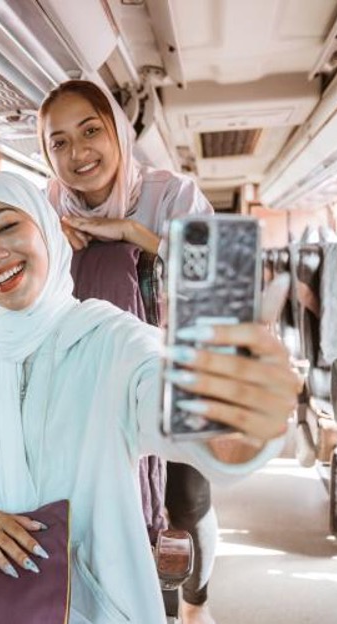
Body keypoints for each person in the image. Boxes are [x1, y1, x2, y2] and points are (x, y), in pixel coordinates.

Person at [0, 172, 301, 624]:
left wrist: (241, 413)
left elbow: (179, 416)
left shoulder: (113, 337)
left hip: (99, 599)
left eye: (8, 226)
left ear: (46, 228)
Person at [39, 78, 218, 623]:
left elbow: (224, 277)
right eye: (60, 143)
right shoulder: (48, 206)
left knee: (185, 500)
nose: (78, 153)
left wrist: (132, 234)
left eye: (90, 131)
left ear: (117, 132)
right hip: (95, 376)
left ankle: (197, 601)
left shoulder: (172, 193)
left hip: (180, 364)